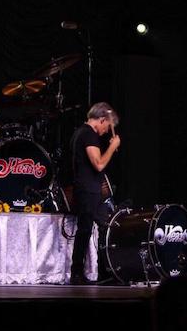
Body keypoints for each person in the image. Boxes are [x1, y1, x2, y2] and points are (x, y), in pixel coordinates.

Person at [69, 102, 120, 285]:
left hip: (90, 189)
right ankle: (76, 273)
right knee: (84, 230)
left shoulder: (80, 133)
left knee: (105, 226)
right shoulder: (88, 134)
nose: (107, 130)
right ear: (102, 119)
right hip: (87, 189)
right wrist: (113, 147)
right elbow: (98, 164)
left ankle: (105, 270)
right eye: (107, 125)